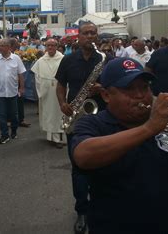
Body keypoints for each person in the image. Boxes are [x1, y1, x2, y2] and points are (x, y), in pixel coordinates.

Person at [72, 57, 168, 234]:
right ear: (106, 95)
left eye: (144, 87)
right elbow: (83, 156)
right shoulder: (93, 124)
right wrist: (150, 128)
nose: (139, 95)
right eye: (128, 89)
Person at [55, 21, 104, 234]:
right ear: (79, 36)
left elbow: (116, 86)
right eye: (86, 33)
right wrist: (63, 104)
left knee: (102, 166)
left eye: (93, 33)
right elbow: (60, 85)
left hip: (100, 117)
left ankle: (101, 206)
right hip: (76, 118)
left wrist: (102, 87)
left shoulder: (104, 59)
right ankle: (82, 210)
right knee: (78, 168)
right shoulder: (68, 60)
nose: (90, 36)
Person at [0, 38, 26, 144]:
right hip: (0, 92)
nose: (0, 47)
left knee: (14, 114)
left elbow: (21, 74)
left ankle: (14, 130)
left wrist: (21, 88)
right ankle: (4, 135)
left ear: (9, 47)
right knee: (2, 114)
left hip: (13, 92)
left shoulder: (16, 58)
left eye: (3, 45)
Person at [31, 38, 65, 148]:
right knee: (49, 115)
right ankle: (51, 138)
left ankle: (61, 138)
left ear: (57, 46)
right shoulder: (41, 60)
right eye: (48, 45)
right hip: (46, 92)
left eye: (52, 45)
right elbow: (37, 77)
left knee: (60, 114)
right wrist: (41, 90)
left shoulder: (63, 59)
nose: (50, 47)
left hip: (60, 91)